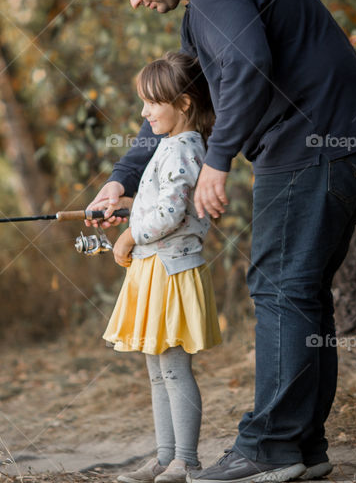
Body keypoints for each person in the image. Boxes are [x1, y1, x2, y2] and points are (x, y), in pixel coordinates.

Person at [87, 0, 356, 483]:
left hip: (319, 144)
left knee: (280, 285)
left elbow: (248, 67)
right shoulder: (203, 6)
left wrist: (218, 160)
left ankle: (269, 448)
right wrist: (121, 179)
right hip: (342, 142)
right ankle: (303, 448)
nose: (133, 1)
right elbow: (177, 107)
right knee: (297, 290)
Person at [103, 52, 222, 483]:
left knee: (173, 367)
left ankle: (186, 461)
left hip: (171, 271)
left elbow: (171, 215)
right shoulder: (170, 145)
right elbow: (162, 203)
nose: (144, 112)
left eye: (152, 103)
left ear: (184, 104)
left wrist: (130, 234)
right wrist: (127, 207)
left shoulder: (186, 148)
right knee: (157, 370)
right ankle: (165, 456)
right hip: (154, 269)